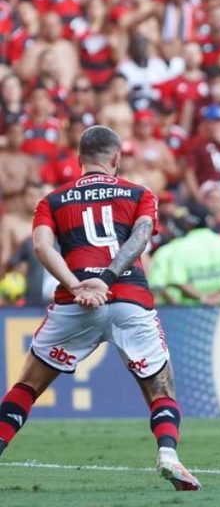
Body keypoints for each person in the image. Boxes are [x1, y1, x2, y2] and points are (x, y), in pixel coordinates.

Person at [0, 126, 200, 490]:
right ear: (116, 159)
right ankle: (169, 456)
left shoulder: (53, 200)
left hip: (74, 304)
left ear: (79, 161)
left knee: (25, 387)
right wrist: (106, 280)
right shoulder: (140, 193)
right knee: (161, 390)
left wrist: (76, 285)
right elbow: (140, 238)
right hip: (130, 300)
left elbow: (44, 248)